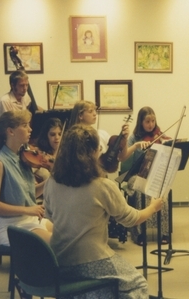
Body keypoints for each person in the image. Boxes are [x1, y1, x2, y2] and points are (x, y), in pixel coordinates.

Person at [43, 124, 164, 298]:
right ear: (93, 152)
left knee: (102, 290)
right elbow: (131, 219)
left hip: (59, 261)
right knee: (137, 284)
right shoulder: (102, 186)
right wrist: (153, 207)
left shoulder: (51, 182)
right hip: (92, 260)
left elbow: (50, 217)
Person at [0, 110, 52, 246]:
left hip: (30, 219)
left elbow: (29, 192)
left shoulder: (22, 157)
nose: (30, 129)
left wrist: (52, 179)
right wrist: (28, 209)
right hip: (11, 227)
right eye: (25, 125)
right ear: (11, 131)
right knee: (56, 245)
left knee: (66, 238)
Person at [69, 100, 130, 243]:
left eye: (95, 110)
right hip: (80, 179)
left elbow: (121, 156)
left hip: (100, 178)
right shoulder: (73, 137)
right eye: (90, 111)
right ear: (80, 115)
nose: (94, 114)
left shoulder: (101, 133)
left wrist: (124, 139)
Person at [124, 106, 170, 245]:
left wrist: (167, 144)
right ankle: (139, 232)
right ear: (141, 122)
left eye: (153, 121)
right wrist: (136, 146)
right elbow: (124, 155)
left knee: (161, 190)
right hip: (137, 175)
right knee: (140, 190)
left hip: (154, 175)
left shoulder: (159, 135)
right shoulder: (134, 138)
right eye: (147, 121)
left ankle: (164, 231)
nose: (151, 125)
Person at [33, 117, 63, 184]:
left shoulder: (64, 153)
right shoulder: (39, 153)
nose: (57, 138)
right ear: (46, 136)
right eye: (52, 134)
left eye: (60, 134)